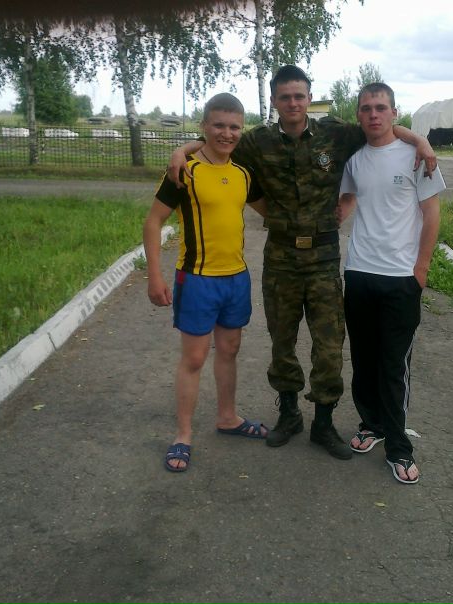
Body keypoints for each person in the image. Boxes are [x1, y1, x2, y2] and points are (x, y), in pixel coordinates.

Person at [168, 65, 437, 461]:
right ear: (275, 101)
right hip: (280, 257)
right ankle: (289, 413)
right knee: (282, 340)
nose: (293, 103)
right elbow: (218, 141)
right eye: (285, 97)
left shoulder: (336, 134)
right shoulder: (257, 141)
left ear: (309, 99)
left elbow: (379, 127)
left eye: (299, 96)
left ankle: (323, 423)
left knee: (329, 345)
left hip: (324, 257)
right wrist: (183, 150)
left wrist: (420, 141)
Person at [143, 92, 267, 473]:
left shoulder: (244, 173)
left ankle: (227, 417)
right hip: (197, 279)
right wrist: (154, 275)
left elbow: (271, 211)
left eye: (234, 127)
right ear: (204, 126)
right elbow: (153, 222)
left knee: (229, 350)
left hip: (236, 277)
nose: (226, 134)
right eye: (218, 125)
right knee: (194, 358)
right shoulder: (186, 170)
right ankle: (183, 435)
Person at [337, 82, 446, 484]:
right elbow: (349, 199)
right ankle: (372, 425)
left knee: (393, 365)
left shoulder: (417, 157)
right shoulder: (354, 158)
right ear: (358, 115)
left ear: (394, 113)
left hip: (401, 279)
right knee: (364, 359)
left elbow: (431, 214)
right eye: (366, 108)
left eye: (381, 107)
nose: (373, 114)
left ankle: (399, 448)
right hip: (360, 273)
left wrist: (421, 269)